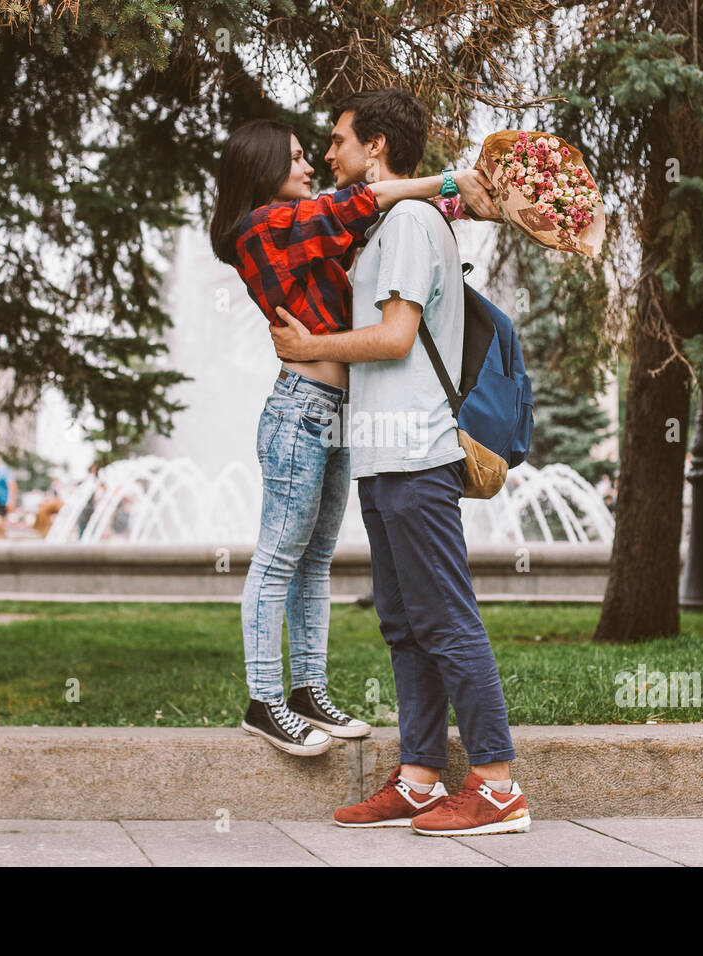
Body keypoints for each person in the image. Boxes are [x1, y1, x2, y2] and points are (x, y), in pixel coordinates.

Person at [269, 88, 530, 835]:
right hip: (381, 456)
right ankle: (420, 776)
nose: (328, 153)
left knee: (446, 620)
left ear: (375, 145)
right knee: (405, 624)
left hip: (416, 454)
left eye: (339, 140)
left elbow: (393, 337)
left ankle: (497, 783)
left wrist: (308, 348)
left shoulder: (412, 224)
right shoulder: (394, 216)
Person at [210, 115, 500, 758]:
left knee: (314, 561)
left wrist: (476, 200)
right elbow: (357, 205)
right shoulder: (260, 227)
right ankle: (264, 700)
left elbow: (370, 220)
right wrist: (448, 177)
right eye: (292, 158)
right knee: (278, 555)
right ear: (259, 169)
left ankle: (308, 689)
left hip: (338, 411)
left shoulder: (306, 225)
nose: (310, 163)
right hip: (300, 409)